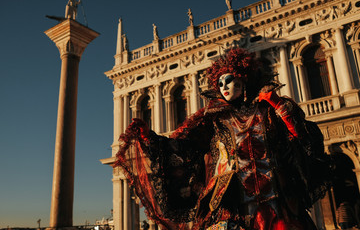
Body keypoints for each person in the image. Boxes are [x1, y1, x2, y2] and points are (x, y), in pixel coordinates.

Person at [115, 48, 330, 230]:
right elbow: (183, 147)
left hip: (277, 202)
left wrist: (278, 104)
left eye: (229, 80)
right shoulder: (213, 119)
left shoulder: (269, 111)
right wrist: (150, 138)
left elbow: (303, 137)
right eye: (219, 83)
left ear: (243, 78)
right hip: (232, 208)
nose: (224, 86)